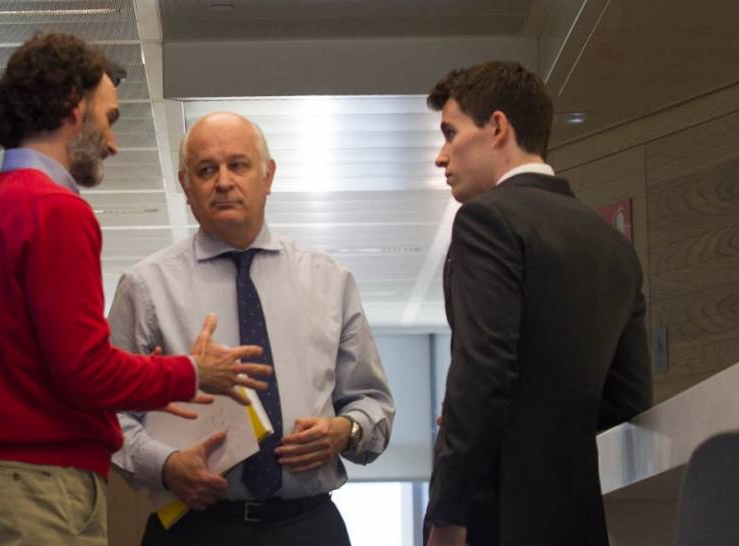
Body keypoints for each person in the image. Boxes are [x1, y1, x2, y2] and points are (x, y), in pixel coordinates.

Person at [0, 34, 271, 546]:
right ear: (76, 106)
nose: (113, 143)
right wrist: (194, 372)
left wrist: (151, 377)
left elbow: (42, 363)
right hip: (43, 490)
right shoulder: (57, 211)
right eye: (109, 118)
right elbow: (85, 372)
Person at [109, 112, 395, 546]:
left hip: (309, 525)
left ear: (268, 175)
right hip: (195, 528)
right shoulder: (145, 287)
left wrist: (346, 431)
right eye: (207, 170)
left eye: (238, 165)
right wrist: (166, 465)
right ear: (186, 186)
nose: (223, 181)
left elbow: (372, 402)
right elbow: (107, 412)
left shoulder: (329, 279)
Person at [423, 61, 653, 546]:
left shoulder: (486, 221)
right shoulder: (613, 244)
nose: (441, 157)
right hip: (579, 519)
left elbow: (481, 372)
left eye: (450, 133)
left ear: (498, 127)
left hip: (497, 518)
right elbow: (629, 398)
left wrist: (447, 513)